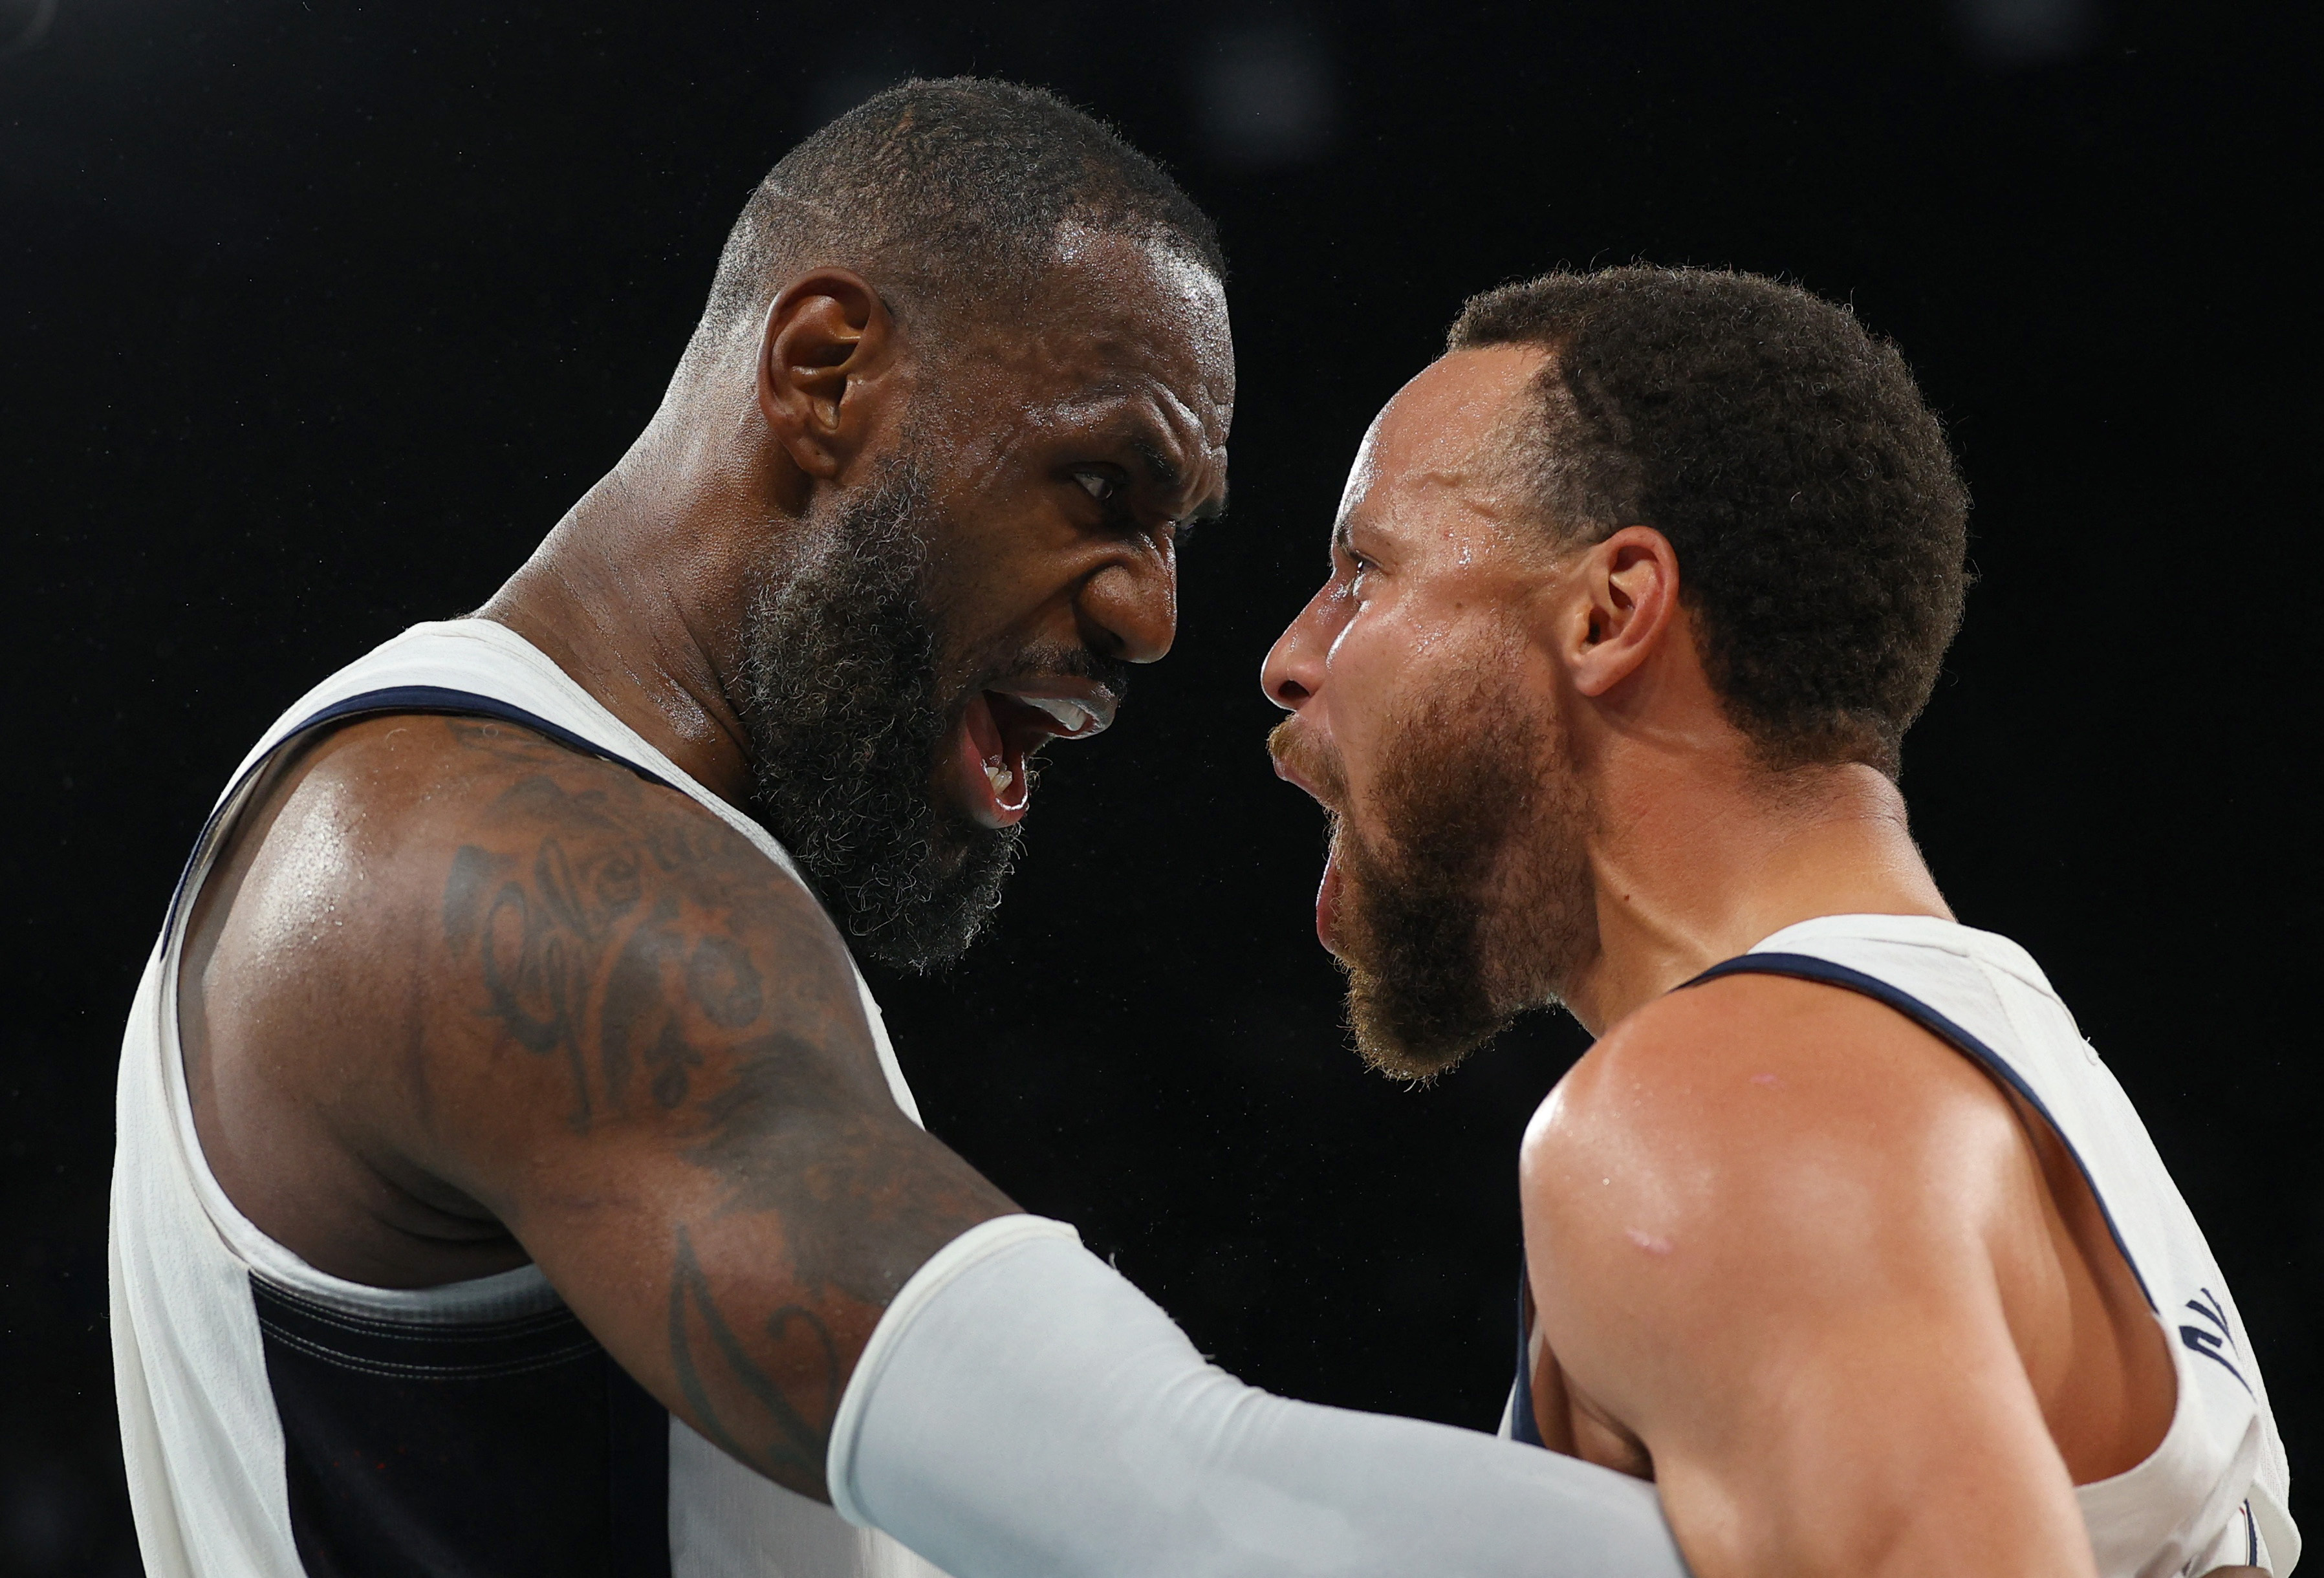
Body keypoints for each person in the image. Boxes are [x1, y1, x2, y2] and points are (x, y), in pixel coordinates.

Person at [111, 79, 1694, 1578]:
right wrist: (1863, 1511)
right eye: (1100, 483)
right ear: (823, 376)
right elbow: (1164, 1494)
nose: (1156, 614)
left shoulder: (528, 829)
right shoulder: (490, 867)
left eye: (1170, 528)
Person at [1261, 266, 2296, 1578]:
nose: (1292, 655)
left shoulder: (1734, 1108)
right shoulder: (1983, 1072)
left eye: (1364, 570)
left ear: (1607, 612)